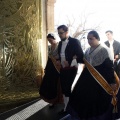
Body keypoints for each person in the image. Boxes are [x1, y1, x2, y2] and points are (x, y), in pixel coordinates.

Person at [68, 30, 118, 120]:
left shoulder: (104, 49)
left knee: (96, 100)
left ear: (97, 38)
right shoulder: (87, 50)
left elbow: (109, 67)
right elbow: (85, 62)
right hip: (87, 77)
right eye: (88, 39)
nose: (89, 41)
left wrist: (112, 82)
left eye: (91, 39)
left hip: (100, 79)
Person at [57, 25, 84, 114]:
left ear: (67, 32)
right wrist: (58, 60)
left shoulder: (75, 42)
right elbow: (60, 55)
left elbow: (80, 55)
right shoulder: (60, 43)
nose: (59, 35)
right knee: (64, 90)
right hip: (63, 70)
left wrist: (70, 61)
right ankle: (66, 108)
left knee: (70, 90)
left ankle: (71, 110)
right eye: (58, 33)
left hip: (72, 70)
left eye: (61, 33)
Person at [39, 33, 63, 108]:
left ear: (54, 38)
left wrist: (59, 61)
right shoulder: (49, 47)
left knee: (55, 83)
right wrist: (46, 67)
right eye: (48, 40)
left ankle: (57, 100)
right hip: (50, 67)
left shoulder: (60, 45)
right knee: (48, 83)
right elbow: (49, 58)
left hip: (57, 67)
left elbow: (62, 57)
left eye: (51, 40)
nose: (50, 42)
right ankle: (51, 100)